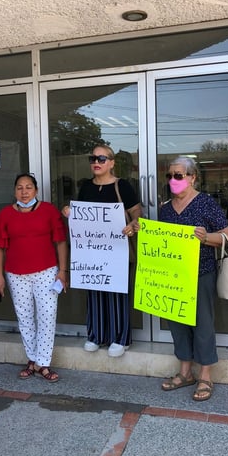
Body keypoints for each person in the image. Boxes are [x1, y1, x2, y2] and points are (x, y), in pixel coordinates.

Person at [159, 156, 228, 401]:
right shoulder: (165, 208)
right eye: (169, 175)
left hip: (201, 272)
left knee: (202, 324)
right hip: (173, 275)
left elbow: (226, 234)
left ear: (192, 177)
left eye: (178, 175)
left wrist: (206, 237)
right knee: (177, 323)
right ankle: (185, 372)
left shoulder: (205, 203)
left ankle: (206, 376)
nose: (173, 180)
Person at [63, 145, 142, 358]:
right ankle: (96, 335)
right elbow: (81, 214)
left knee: (117, 293)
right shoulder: (86, 186)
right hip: (93, 251)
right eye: (93, 158)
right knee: (94, 290)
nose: (96, 162)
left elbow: (137, 213)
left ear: (112, 162)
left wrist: (133, 224)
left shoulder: (122, 185)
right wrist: (69, 211)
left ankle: (121, 338)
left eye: (101, 158)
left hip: (118, 249)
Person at [0, 173, 68, 382]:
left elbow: (61, 241)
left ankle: (43, 363)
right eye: (19, 188)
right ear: (14, 191)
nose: (24, 192)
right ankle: (32, 360)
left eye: (28, 187)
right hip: (16, 274)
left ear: (36, 190)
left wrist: (62, 271)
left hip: (47, 272)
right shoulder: (6, 214)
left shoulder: (48, 211)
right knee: (25, 318)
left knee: (47, 316)